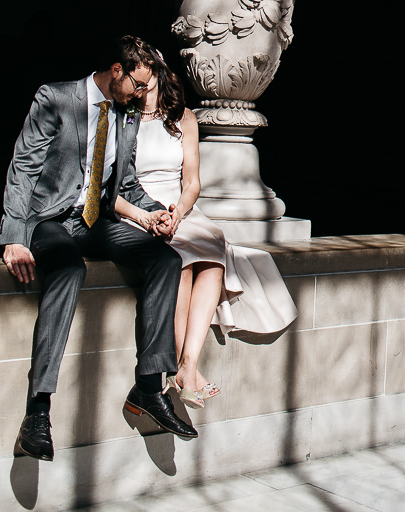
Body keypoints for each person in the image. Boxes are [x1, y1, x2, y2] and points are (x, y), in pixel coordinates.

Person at [0, 34, 198, 461]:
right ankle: (38, 412)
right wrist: (14, 235)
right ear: (117, 71)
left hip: (96, 221)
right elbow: (24, 166)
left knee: (166, 259)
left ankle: (147, 386)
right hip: (49, 220)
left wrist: (154, 212)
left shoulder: (125, 116)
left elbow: (123, 184)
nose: (144, 96)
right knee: (69, 271)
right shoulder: (56, 98)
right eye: (139, 85)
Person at [115, 51, 297, 409]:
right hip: (139, 209)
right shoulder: (123, 118)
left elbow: (193, 182)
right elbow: (115, 183)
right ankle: (185, 370)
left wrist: (180, 211)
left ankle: (187, 366)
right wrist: (149, 217)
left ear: (157, 75)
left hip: (179, 207)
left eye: (144, 77)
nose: (138, 86)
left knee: (213, 254)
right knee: (180, 265)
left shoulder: (184, 118)